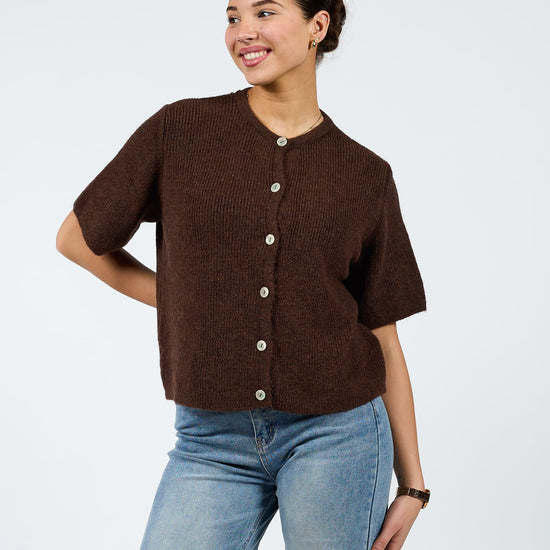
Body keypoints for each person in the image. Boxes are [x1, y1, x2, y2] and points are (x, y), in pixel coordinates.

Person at [56, 1, 431, 548]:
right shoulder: (180, 130)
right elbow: (77, 240)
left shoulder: (365, 174)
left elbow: (384, 339)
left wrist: (413, 486)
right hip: (210, 440)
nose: (244, 32)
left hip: (339, 434)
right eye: (233, 17)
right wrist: (185, 297)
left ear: (318, 26)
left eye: (264, 12)